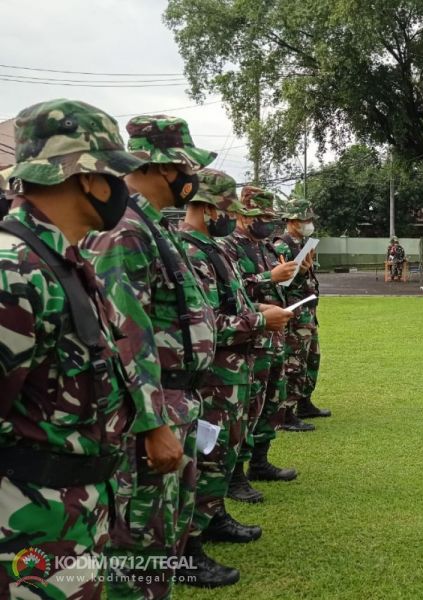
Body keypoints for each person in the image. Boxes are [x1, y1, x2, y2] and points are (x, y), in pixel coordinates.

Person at [0, 99, 171, 598]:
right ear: (87, 178)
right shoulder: (15, 271)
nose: (123, 189)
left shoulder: (60, 261)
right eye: (116, 176)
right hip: (29, 529)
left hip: (77, 514)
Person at [82, 114, 219, 594]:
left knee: (163, 549)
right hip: (151, 417)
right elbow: (124, 334)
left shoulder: (149, 224)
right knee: (138, 558)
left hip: (174, 405)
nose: (192, 179)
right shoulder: (126, 230)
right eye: (188, 168)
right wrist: (152, 424)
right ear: (165, 167)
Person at [178, 169, 293, 585]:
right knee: (206, 457)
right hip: (215, 374)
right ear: (208, 208)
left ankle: (213, 519)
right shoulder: (188, 252)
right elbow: (204, 323)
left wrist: (258, 313)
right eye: (230, 209)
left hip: (236, 369)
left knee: (225, 452)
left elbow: (234, 300)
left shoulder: (211, 248)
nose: (235, 217)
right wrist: (260, 321)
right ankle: (187, 550)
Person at [226, 186, 299, 503]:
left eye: (271, 217)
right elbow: (234, 288)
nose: (267, 223)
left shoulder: (267, 247)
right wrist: (270, 276)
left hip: (274, 336)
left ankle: (260, 462)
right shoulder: (229, 246)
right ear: (243, 214)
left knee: (270, 402)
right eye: (262, 217)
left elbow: (277, 281)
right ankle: (235, 476)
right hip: (248, 337)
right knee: (246, 409)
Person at [274, 198, 331, 424]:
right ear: (292, 220)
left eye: (309, 219)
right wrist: (299, 272)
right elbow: (279, 283)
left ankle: (304, 403)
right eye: (304, 219)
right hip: (294, 315)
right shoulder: (281, 246)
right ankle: (286, 413)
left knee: (311, 359)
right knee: (294, 363)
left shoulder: (302, 244)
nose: (309, 223)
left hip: (307, 313)